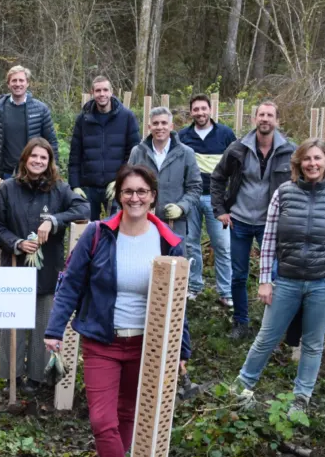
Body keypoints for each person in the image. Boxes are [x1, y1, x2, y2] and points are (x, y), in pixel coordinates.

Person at [44, 164, 191, 457]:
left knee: (127, 413)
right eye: (128, 192)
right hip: (102, 340)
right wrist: (55, 329)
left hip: (147, 344)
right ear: (118, 196)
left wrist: (181, 351)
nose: (135, 198)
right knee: (101, 419)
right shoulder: (98, 234)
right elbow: (71, 284)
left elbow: (179, 303)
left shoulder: (169, 242)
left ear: (153, 196)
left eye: (142, 191)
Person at [229, 139, 325, 416]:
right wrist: (265, 279)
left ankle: (301, 397)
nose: (312, 164)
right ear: (298, 163)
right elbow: (268, 240)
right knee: (267, 336)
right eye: (307, 159)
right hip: (287, 279)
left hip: (324, 281)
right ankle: (242, 385)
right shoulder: (284, 194)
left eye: (317, 158)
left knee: (313, 342)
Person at [0, 138, 89, 393]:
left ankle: (36, 378)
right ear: (25, 159)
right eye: (34, 156)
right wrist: (17, 243)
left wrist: (54, 220)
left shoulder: (59, 190)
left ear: (49, 162)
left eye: (44, 158)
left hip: (47, 268)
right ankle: (12, 376)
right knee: (14, 323)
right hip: (15, 267)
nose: (38, 161)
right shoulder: (8, 189)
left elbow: (83, 208)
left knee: (43, 320)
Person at [210, 102, 295, 340]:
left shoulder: (290, 151)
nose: (265, 119)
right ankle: (241, 322)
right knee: (239, 275)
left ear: (277, 120)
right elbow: (217, 178)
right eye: (261, 114)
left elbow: (300, 186)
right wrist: (220, 209)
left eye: (270, 115)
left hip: (273, 224)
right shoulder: (238, 149)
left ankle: (274, 326)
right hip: (240, 221)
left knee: (277, 275)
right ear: (254, 118)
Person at [178, 94, 236, 305]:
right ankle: (194, 286)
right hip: (191, 197)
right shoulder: (182, 136)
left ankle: (225, 291)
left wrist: (231, 198)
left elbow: (236, 165)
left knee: (222, 245)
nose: (200, 113)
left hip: (217, 200)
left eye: (203, 108)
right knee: (191, 244)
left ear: (210, 110)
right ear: (191, 112)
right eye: (196, 109)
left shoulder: (226, 134)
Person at [68, 76, 140, 221]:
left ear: (111, 92)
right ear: (92, 93)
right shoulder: (83, 119)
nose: (102, 94)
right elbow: (75, 155)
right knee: (88, 232)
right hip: (88, 186)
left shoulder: (127, 117)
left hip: (116, 187)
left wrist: (120, 180)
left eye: (105, 90)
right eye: (98, 90)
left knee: (118, 228)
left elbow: (133, 155)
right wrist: (75, 186)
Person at [0, 65, 59, 187]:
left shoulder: (41, 110)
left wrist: (53, 172)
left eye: (21, 80)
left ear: (27, 83)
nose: (18, 84)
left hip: (34, 173)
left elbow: (52, 143)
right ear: (8, 84)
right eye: (14, 80)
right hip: (5, 175)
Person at [128, 107, 202, 239]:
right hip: (142, 222)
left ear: (171, 126)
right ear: (149, 126)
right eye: (155, 123)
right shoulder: (138, 152)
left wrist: (182, 207)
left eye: (164, 123)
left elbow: (195, 187)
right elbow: (127, 184)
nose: (159, 127)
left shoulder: (186, 153)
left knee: (172, 259)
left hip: (174, 224)